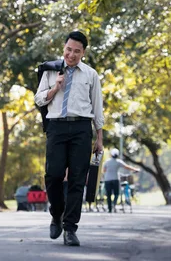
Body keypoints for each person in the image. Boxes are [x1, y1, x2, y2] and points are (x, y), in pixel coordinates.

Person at [35, 31, 104, 247]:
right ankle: (56, 214)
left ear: (83, 53)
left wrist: (99, 137)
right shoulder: (50, 70)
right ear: (63, 47)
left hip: (82, 128)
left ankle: (70, 228)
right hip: (56, 126)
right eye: (68, 49)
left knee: (77, 180)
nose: (71, 55)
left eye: (76, 51)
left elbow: (97, 106)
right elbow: (38, 100)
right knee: (53, 175)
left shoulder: (91, 75)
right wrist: (56, 87)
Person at [102, 148, 139, 213]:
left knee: (109, 194)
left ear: (111, 154)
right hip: (115, 179)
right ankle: (114, 203)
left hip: (107, 180)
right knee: (116, 194)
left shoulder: (107, 162)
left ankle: (110, 209)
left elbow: (104, 170)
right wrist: (135, 169)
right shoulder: (118, 161)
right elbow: (127, 167)